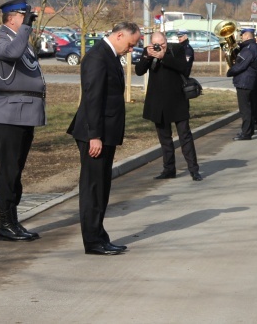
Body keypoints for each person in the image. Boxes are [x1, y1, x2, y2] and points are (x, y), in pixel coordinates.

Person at [67, 21, 140, 255]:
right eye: (130, 44)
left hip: (105, 133)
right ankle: (93, 241)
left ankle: (99, 235)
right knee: (93, 188)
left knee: (101, 187)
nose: (131, 50)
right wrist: (94, 136)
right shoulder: (97, 57)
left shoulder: (108, 55)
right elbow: (92, 99)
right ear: (119, 35)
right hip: (95, 134)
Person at [0, 0, 44, 242]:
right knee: (8, 170)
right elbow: (12, 54)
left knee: (16, 170)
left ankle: (13, 221)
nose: (28, 21)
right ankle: (5, 224)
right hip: (8, 113)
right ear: (12, 18)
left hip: (23, 112)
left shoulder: (19, 39)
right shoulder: (0, 38)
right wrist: (26, 29)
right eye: (25, 16)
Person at [135, 31, 202, 181]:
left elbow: (184, 68)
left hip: (177, 100)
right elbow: (139, 71)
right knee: (165, 139)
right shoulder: (148, 51)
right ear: (152, 43)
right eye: (157, 45)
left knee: (185, 136)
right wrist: (148, 56)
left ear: (166, 41)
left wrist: (163, 56)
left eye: (163, 44)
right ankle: (169, 169)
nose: (160, 47)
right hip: (158, 103)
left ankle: (194, 169)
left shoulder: (175, 49)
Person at [227, 27, 257, 141]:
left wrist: (230, 71)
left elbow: (241, 65)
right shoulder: (250, 47)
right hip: (247, 81)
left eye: (242, 35)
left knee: (244, 109)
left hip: (245, 82)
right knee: (248, 107)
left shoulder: (249, 49)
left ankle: (246, 133)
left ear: (247, 36)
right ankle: (248, 130)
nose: (241, 37)